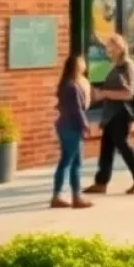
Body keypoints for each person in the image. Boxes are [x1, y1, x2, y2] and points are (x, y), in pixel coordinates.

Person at [83, 35, 134, 195]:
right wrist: (97, 94)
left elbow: (128, 93)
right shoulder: (116, 66)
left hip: (122, 113)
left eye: (111, 47)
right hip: (111, 113)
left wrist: (105, 93)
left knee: (122, 144)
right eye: (107, 48)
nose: (108, 51)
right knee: (107, 147)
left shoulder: (128, 65)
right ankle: (101, 182)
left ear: (120, 47)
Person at [52, 55, 93, 209]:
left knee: (70, 161)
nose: (84, 64)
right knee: (71, 162)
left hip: (65, 126)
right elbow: (77, 110)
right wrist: (85, 125)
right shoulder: (72, 86)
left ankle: (66, 196)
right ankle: (74, 197)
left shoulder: (66, 84)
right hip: (72, 127)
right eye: (81, 62)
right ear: (76, 66)